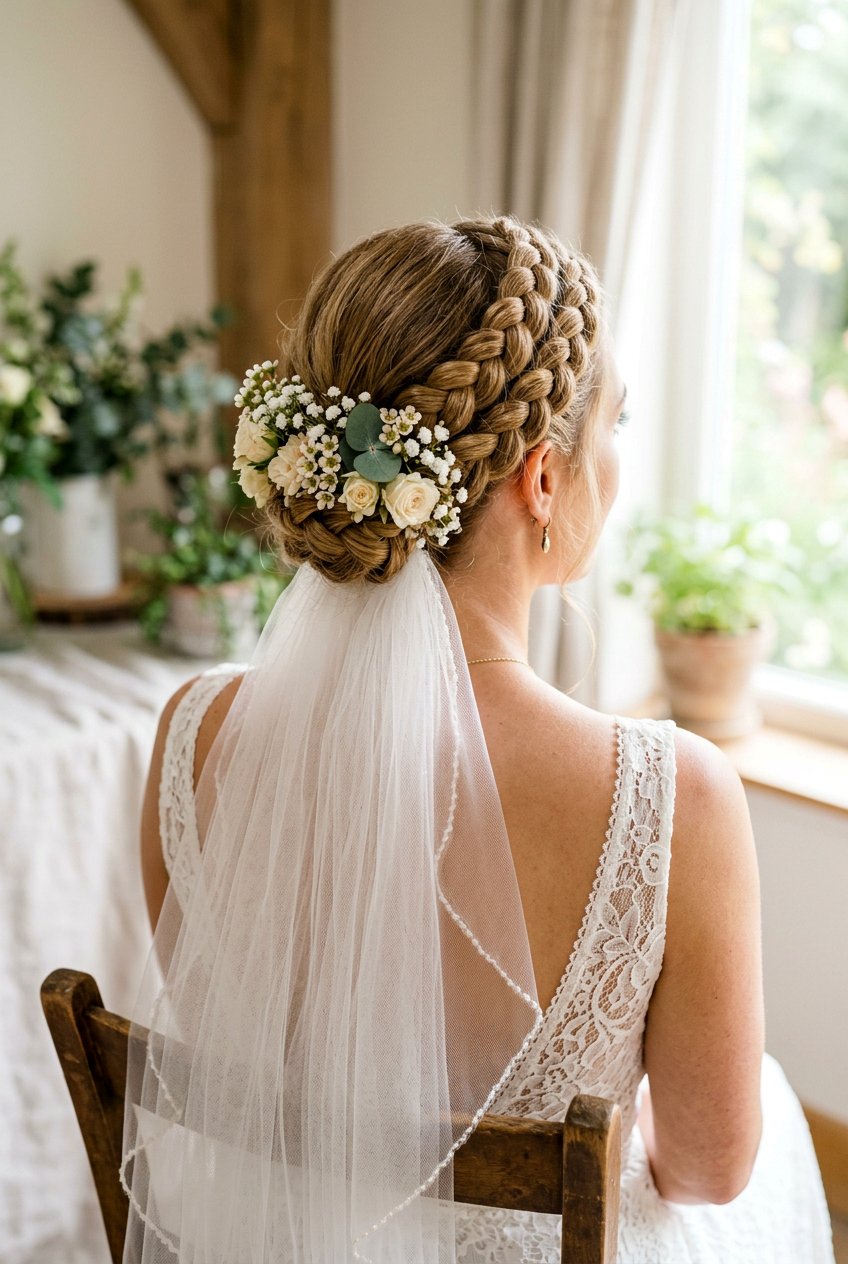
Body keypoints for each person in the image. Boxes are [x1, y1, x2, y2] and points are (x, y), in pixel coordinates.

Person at [122, 215, 835, 1263]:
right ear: (541, 478)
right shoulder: (672, 792)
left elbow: (244, 1075)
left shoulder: (193, 734)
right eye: (618, 422)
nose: (618, 459)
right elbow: (706, 1170)